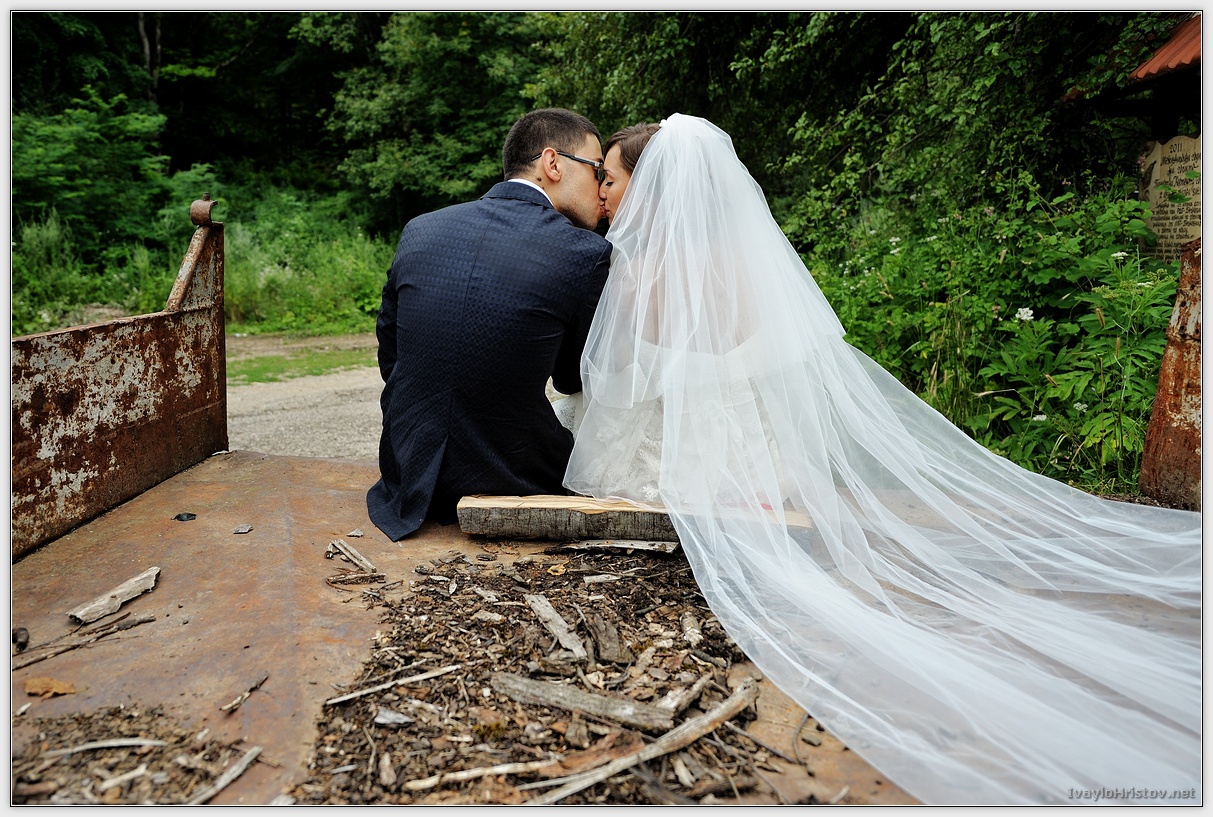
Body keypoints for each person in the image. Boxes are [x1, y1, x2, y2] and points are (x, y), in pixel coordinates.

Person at [564, 114, 1202, 805]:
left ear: (650, 185)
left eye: (612, 178)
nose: (604, 192)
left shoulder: (635, 270)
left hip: (680, 462)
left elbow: (618, 383)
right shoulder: (746, 260)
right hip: (756, 461)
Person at [367, 108, 612, 541]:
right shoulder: (583, 252)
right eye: (596, 170)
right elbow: (573, 377)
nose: (601, 188)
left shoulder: (421, 229)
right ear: (552, 164)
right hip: (513, 474)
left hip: (408, 468)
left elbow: (391, 350)